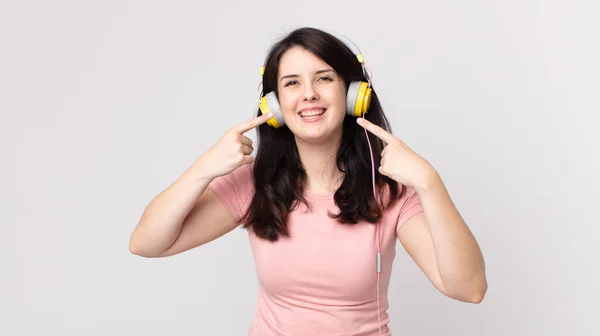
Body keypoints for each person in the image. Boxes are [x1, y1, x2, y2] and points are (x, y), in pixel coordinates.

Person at [129, 27, 487, 336]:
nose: (309, 93)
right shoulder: (255, 183)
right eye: (292, 83)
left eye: (324, 78)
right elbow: (146, 243)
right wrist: (203, 169)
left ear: (353, 95)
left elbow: (468, 288)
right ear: (275, 105)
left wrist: (430, 182)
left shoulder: (391, 189)